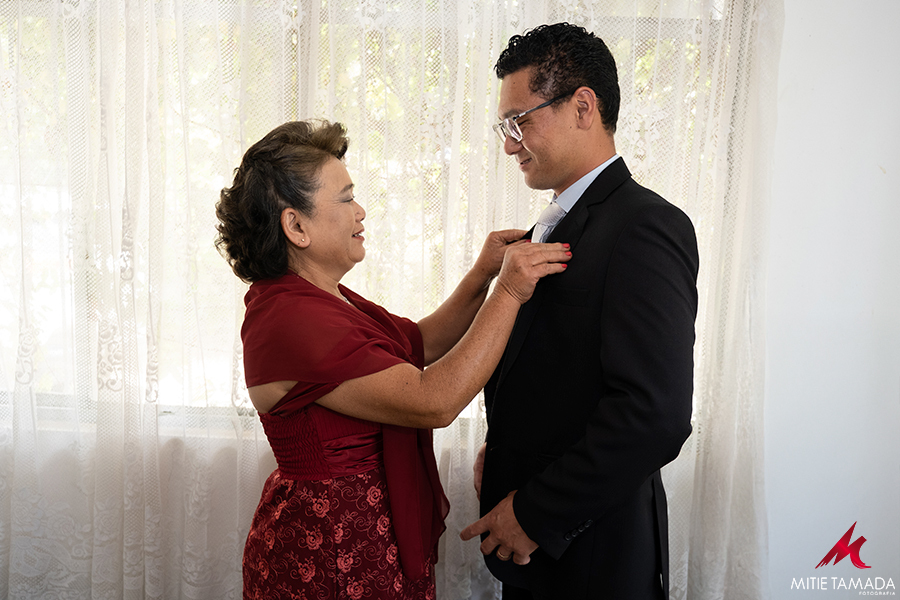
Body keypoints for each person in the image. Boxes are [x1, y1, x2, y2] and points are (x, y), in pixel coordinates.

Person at [214, 119, 570, 599]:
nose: (360, 211)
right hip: (328, 554)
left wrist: (483, 274)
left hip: (366, 541)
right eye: (345, 199)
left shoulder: (322, 299)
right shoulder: (289, 319)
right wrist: (508, 291)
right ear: (296, 226)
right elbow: (434, 400)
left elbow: (420, 344)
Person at [460, 23, 700, 600]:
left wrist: (536, 512)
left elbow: (654, 414)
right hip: (539, 555)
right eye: (504, 127)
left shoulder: (645, 226)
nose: (510, 144)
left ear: (583, 107)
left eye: (519, 122)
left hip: (592, 557)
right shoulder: (554, 222)